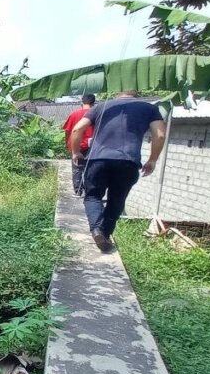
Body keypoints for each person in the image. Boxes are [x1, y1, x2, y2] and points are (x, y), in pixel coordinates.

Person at [69, 91, 166, 253]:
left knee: (93, 196)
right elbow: (160, 135)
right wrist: (153, 159)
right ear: (136, 93)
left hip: (97, 160)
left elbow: (76, 129)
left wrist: (76, 152)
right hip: (128, 161)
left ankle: (97, 230)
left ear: (117, 92)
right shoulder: (149, 108)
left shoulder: (100, 107)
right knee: (117, 200)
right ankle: (104, 234)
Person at [63, 94, 96, 195]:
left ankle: (78, 191)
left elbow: (68, 131)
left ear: (82, 102)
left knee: (77, 168)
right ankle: (89, 191)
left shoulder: (74, 114)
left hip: (77, 145)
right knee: (90, 169)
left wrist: (68, 144)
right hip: (92, 146)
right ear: (93, 103)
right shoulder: (97, 114)